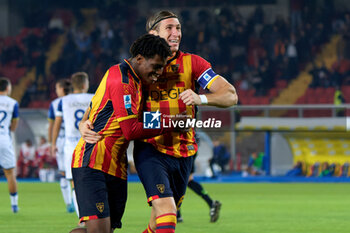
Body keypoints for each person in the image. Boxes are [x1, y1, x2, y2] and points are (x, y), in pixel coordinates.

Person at [79, 11, 238, 233]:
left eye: (179, 28)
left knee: (157, 223)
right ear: (153, 33)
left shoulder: (193, 63)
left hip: (184, 151)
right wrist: (84, 122)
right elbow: (104, 97)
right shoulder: (140, 67)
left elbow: (230, 95)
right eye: (169, 28)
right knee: (167, 211)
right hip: (151, 149)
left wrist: (200, 98)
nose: (176, 33)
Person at [70, 34, 172, 233]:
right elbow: (131, 129)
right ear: (140, 58)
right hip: (93, 160)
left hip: (116, 165)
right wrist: (170, 122)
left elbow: (96, 107)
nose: (159, 72)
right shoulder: (121, 79)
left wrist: (83, 122)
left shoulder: (137, 81)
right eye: (157, 66)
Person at [51, 72, 94, 217]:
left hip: (70, 145)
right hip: (90, 141)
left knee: (75, 183)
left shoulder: (63, 101)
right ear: (84, 84)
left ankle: (81, 216)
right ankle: (96, 212)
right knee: (94, 179)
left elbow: (57, 124)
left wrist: (53, 143)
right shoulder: (93, 97)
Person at [177, 136, 221, 223]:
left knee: (175, 183)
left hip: (183, 152)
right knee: (187, 181)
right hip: (190, 150)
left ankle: (177, 215)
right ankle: (210, 202)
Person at [47, 78, 74, 212]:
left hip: (62, 140)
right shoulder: (77, 100)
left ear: (62, 89)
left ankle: (69, 203)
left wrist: (51, 142)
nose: (56, 91)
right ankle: (76, 201)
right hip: (78, 138)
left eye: (57, 88)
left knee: (64, 173)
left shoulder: (56, 103)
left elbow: (52, 125)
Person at [0, 77, 19, 213]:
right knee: (10, 173)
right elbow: (13, 127)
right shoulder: (13, 103)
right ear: (7, 88)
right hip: (4, 139)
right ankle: (14, 206)